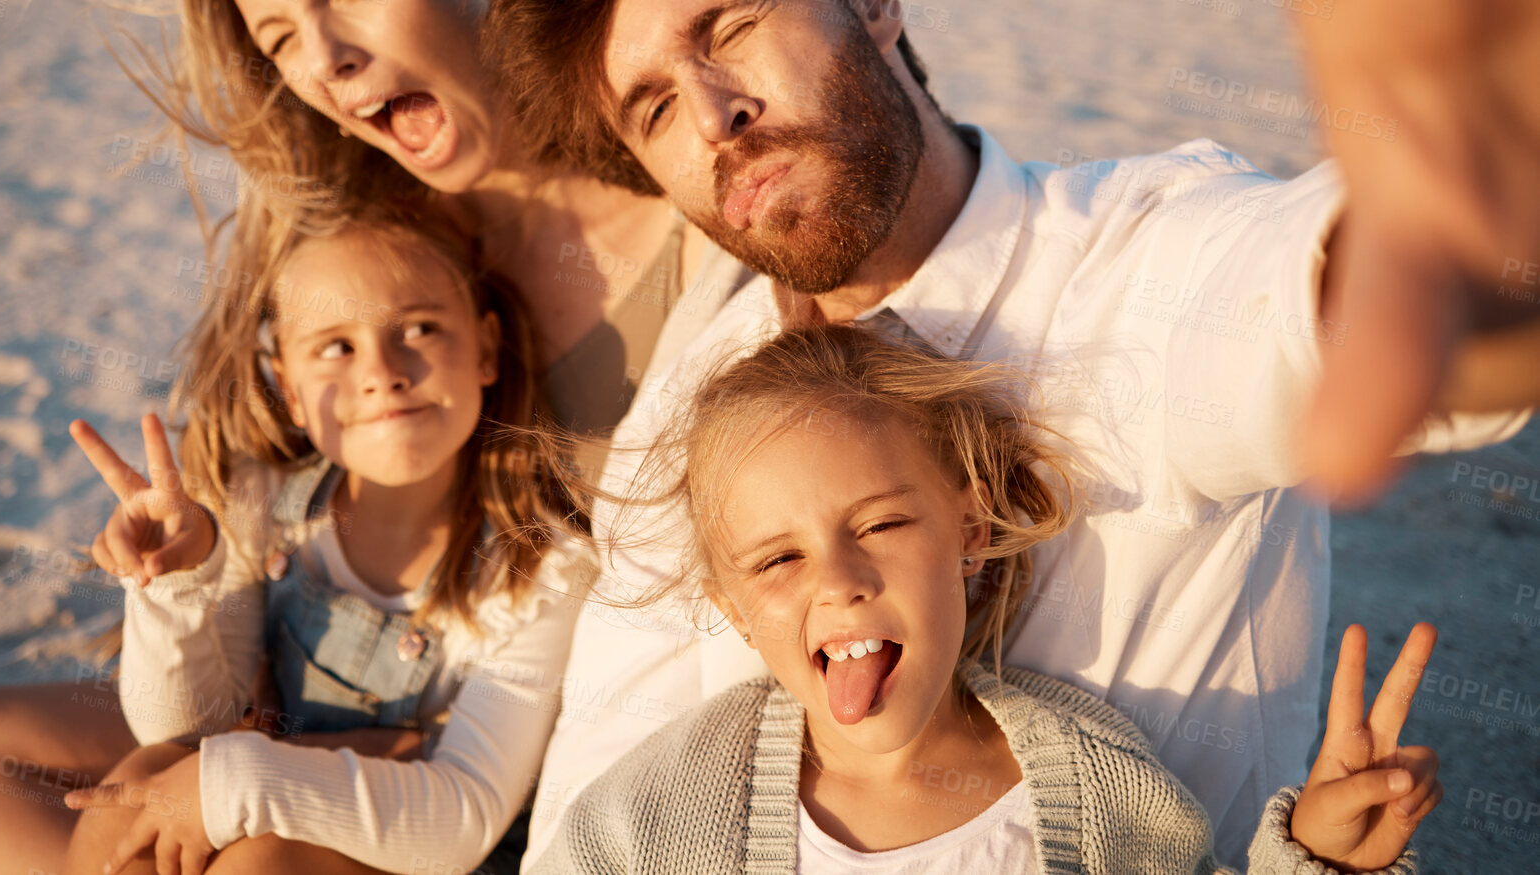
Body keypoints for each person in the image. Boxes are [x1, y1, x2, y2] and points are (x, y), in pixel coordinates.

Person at [470, 0, 1533, 865]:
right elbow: (599, 774)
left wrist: (1479, 167)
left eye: (729, 31)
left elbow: (1393, 302)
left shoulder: (1139, 275)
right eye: (651, 109)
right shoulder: (708, 375)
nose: (710, 118)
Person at [0, 0, 742, 875]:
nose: (329, 61)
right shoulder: (366, 239)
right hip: (296, 701)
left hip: (492, 760)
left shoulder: (694, 239)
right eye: (281, 37)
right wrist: (221, 679)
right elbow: (239, 589)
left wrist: (286, 781)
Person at [533, 325, 1443, 875]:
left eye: (881, 524)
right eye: (776, 559)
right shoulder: (666, 807)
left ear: (969, 529)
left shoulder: (1094, 782)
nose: (837, 577)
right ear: (733, 609)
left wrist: (1321, 858)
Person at [58, 187, 591, 874]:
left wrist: (238, 779)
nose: (381, 374)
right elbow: (183, 724)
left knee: (260, 856)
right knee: (136, 787)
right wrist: (176, 582)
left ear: (485, 348)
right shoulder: (272, 504)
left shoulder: (537, 569)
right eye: (336, 346)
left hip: (428, 850)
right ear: (290, 388)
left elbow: (463, 818)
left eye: (420, 328)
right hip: (286, 784)